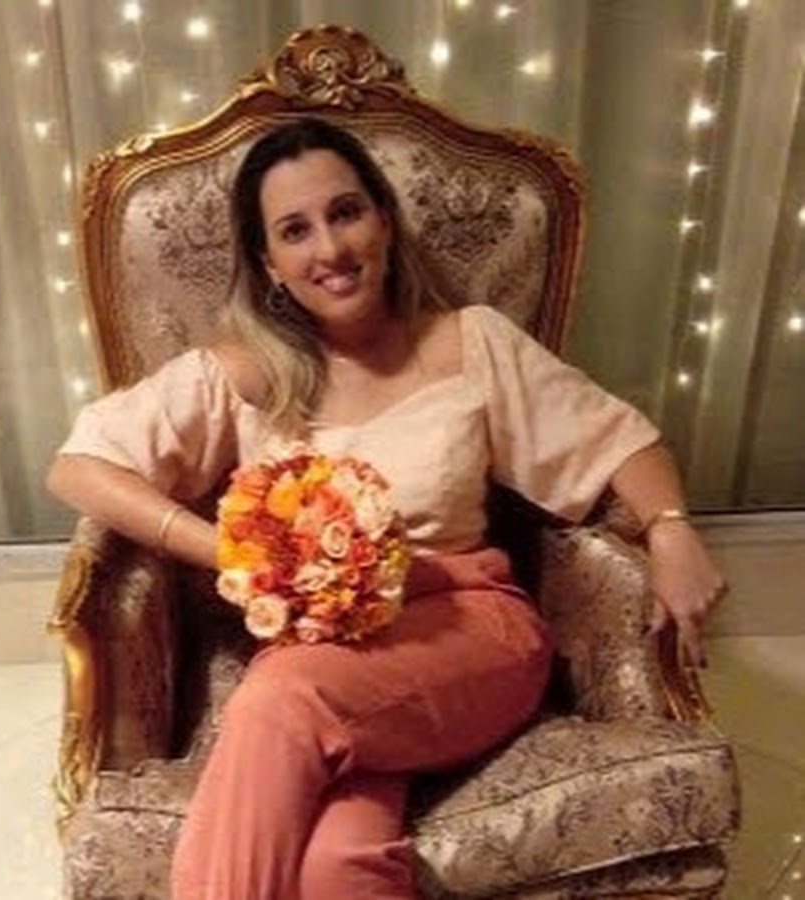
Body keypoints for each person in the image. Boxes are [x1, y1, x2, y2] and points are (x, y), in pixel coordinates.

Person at [47, 117, 726, 900]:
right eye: (295, 230)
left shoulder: (470, 344)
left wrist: (671, 530)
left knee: (281, 700)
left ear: (385, 221)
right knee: (336, 864)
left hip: (470, 630)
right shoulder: (244, 377)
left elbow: (620, 443)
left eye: (345, 213)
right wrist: (231, 553)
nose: (329, 248)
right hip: (325, 658)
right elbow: (80, 465)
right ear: (269, 264)